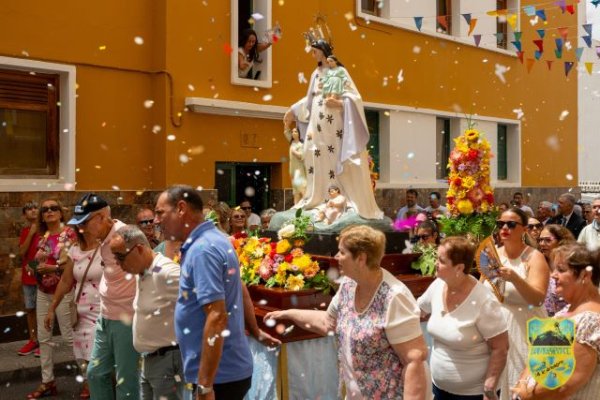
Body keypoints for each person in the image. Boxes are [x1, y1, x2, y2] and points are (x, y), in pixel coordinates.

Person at [265, 225, 430, 399]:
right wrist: (289, 313)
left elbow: (414, 361)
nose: (337, 257)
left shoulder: (394, 298)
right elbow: (328, 323)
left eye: (342, 252)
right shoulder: (348, 285)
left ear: (361, 258)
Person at [154, 185, 253, 400]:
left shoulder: (202, 250)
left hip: (219, 377)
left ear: (181, 208)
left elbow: (216, 317)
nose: (155, 220)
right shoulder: (211, 240)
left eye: (160, 213)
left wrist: (206, 385)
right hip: (223, 373)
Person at [283, 38, 383, 221]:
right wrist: (293, 110)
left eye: (314, 51)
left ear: (323, 51)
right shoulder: (316, 73)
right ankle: (318, 196)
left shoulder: (340, 71)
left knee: (335, 158)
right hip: (316, 124)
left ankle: (340, 198)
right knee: (314, 156)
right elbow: (310, 99)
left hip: (334, 125)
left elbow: (355, 97)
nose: (312, 55)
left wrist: (338, 103)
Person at [418, 236, 508, 399]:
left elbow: (500, 348)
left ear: (459, 268)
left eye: (441, 260)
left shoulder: (484, 301)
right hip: (439, 388)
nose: (436, 263)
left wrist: (489, 388)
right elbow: (417, 311)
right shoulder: (438, 285)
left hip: (473, 394)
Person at [71, 193, 140, 400]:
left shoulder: (125, 236)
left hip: (126, 319)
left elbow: (147, 273)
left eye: (84, 223)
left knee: (126, 382)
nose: (81, 229)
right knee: (95, 373)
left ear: (101, 217)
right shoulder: (104, 237)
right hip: (105, 317)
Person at [512, 243, 600, 399]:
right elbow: (536, 358)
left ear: (585, 276)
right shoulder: (565, 311)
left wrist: (526, 395)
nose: (553, 275)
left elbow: (567, 382)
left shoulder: (591, 321)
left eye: (561, 270)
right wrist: (522, 384)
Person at [109, 225, 184, 400]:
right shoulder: (144, 270)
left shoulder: (165, 272)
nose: (119, 264)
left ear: (140, 249)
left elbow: (201, 304)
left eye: (121, 257)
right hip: (150, 361)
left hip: (168, 361)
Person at [490, 208, 549, 399]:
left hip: (526, 326)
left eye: (511, 224)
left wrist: (515, 279)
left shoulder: (534, 257)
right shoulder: (493, 254)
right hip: (499, 328)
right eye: (501, 224)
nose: (504, 228)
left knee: (524, 386)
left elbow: (538, 298)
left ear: (523, 229)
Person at [44, 215, 103, 399]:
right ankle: (91, 385)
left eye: (85, 222)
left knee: (99, 359)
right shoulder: (75, 250)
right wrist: (52, 308)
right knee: (83, 356)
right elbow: (66, 280)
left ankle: (100, 389)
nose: (82, 227)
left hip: (103, 312)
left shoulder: (106, 248)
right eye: (79, 224)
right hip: (81, 314)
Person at [27, 198, 78, 399]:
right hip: (43, 292)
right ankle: (47, 381)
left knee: (69, 336)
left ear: (60, 212)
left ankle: (90, 379)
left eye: (53, 208)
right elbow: (41, 261)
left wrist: (53, 268)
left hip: (64, 291)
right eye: (45, 209)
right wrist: (33, 269)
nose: (49, 211)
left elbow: (74, 265)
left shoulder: (69, 234)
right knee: (44, 338)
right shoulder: (44, 235)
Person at [17, 201, 40, 357]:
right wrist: (31, 233)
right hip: (28, 277)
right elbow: (22, 252)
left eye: (35, 208)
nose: (32, 210)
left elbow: (49, 253)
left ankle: (44, 342)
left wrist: (34, 265)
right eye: (28, 209)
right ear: (24, 215)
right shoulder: (25, 231)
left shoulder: (46, 231)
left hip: (44, 277)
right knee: (30, 309)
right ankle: (33, 340)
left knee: (43, 311)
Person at [537, 224, 575, 316]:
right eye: (540, 240)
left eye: (547, 240)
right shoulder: (538, 264)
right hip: (542, 321)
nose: (542, 243)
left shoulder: (571, 265)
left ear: (561, 241)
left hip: (567, 321)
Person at [286, 127, 307, 204]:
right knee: (296, 192)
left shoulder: (301, 145)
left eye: (295, 131)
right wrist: (286, 123)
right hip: (293, 171)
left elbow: (301, 156)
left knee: (302, 189)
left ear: (299, 134)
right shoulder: (292, 143)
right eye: (292, 132)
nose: (293, 133)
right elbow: (286, 132)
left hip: (299, 170)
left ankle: (305, 207)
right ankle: (296, 209)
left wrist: (294, 152)